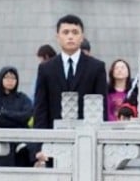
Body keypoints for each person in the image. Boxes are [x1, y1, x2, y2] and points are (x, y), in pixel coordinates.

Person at [32, 14, 107, 165]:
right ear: (57, 37)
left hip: (87, 141)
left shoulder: (96, 67)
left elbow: (101, 108)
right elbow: (40, 110)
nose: (70, 36)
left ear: (82, 37)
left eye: (75, 32)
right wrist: (39, 146)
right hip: (55, 142)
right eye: (66, 32)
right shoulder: (46, 69)